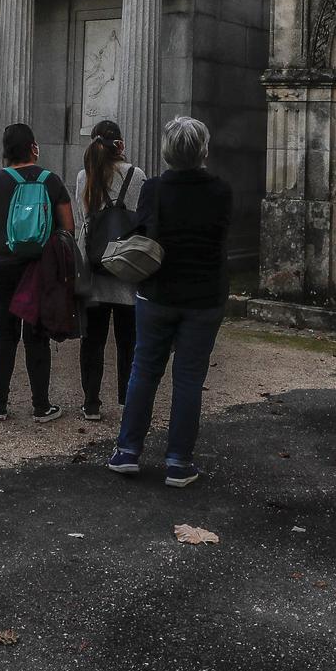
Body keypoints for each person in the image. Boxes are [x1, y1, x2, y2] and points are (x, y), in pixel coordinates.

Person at [106, 116, 231, 487]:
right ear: (202, 150)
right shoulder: (220, 190)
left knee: (144, 370)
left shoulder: (154, 188)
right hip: (204, 294)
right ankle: (178, 460)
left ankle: (128, 450)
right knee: (189, 378)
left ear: (167, 151)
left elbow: (146, 232)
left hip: (157, 291)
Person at [0, 123, 74, 423]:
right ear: (33, 147)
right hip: (40, 269)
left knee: (4, 335)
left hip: (2, 266)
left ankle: (0, 403)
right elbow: (68, 228)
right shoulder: (52, 181)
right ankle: (41, 406)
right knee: (37, 337)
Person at [71, 120, 144, 423]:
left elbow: (84, 219)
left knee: (93, 341)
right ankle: (128, 400)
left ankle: (91, 403)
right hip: (127, 269)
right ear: (121, 146)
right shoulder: (137, 176)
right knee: (128, 340)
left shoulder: (83, 176)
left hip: (96, 269)